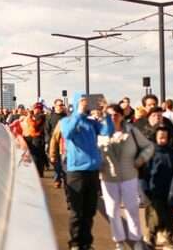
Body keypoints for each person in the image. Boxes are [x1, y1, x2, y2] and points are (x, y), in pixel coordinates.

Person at [98, 103, 153, 250]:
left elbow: (148, 146)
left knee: (132, 208)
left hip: (129, 175)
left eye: (116, 114)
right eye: (109, 115)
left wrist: (140, 160)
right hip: (108, 177)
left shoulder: (131, 131)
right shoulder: (100, 132)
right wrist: (98, 164)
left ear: (122, 116)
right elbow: (93, 152)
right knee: (112, 210)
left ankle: (137, 239)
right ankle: (119, 241)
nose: (113, 117)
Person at [61, 96, 113, 250]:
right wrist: (79, 113)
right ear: (77, 103)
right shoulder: (67, 121)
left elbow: (107, 131)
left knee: (90, 210)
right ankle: (75, 242)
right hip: (76, 171)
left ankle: (86, 242)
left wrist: (106, 114)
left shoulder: (91, 122)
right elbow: (68, 134)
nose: (86, 104)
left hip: (92, 171)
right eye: (83, 101)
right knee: (77, 211)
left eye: (87, 101)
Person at [144, 126, 173, 249]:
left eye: (165, 137)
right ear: (156, 137)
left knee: (170, 216)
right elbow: (146, 172)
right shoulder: (151, 152)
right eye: (160, 137)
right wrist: (146, 188)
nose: (163, 139)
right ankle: (151, 237)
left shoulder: (172, 153)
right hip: (155, 189)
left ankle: (169, 239)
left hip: (170, 189)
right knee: (155, 216)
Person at [24, 103, 48, 177]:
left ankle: (38, 173)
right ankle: (39, 172)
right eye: (34, 108)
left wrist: (29, 118)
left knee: (37, 156)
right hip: (35, 137)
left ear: (39, 109)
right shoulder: (37, 116)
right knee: (39, 155)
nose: (34, 110)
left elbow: (35, 125)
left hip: (38, 138)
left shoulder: (40, 116)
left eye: (36, 108)